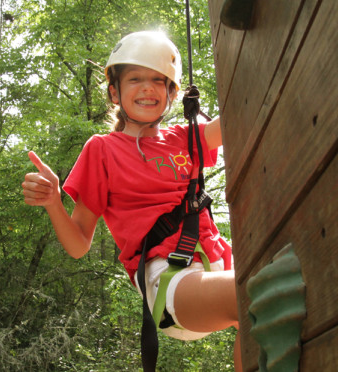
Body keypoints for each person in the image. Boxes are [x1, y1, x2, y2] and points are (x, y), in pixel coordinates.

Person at [21, 30, 241, 372]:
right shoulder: (103, 149)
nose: (148, 88)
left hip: (217, 262)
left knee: (272, 305)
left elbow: (243, 117)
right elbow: (79, 244)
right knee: (252, 292)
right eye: (135, 78)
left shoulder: (185, 138)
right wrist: (53, 201)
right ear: (114, 91)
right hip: (171, 280)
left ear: (172, 93)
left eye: (159, 80)